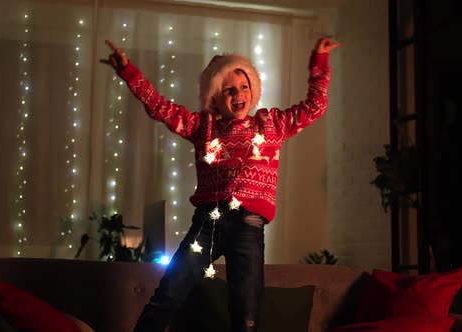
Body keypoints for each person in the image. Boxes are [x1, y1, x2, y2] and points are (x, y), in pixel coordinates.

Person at [101, 36, 339, 332]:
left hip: (249, 228)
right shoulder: (203, 127)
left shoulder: (271, 124)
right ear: (213, 97)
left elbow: (314, 106)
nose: (238, 94)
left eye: (243, 86)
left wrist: (319, 61)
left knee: (247, 315)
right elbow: (160, 107)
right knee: (168, 295)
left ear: (253, 90)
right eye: (228, 90)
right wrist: (129, 73)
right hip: (207, 223)